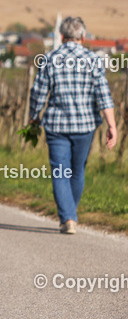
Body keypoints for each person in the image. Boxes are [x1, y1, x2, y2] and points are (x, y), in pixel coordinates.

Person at [28, 16, 117, 234]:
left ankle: (68, 217)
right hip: (85, 126)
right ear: (83, 37)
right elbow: (104, 96)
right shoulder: (93, 60)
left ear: (61, 36)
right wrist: (112, 126)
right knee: (77, 171)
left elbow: (38, 94)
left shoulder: (50, 59)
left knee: (60, 172)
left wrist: (34, 118)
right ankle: (70, 216)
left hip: (56, 126)